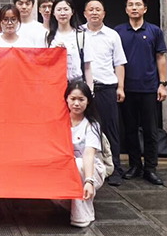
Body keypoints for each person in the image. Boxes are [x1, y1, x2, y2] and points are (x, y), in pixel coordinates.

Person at [115, 0, 167, 186]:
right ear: (126, 9)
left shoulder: (154, 31)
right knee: (129, 129)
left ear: (145, 9)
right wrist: (119, 86)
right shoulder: (118, 32)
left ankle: (150, 168)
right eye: (130, 5)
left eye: (138, 4)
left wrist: (162, 84)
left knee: (150, 130)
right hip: (127, 89)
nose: (134, 8)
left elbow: (160, 57)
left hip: (149, 88)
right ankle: (135, 165)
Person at [82, 0, 127, 187]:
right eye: (91, 9)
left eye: (98, 9)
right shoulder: (78, 33)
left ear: (104, 13)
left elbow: (119, 63)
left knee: (110, 129)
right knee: (84, 129)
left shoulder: (112, 35)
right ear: (85, 13)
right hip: (84, 89)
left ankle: (115, 169)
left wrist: (120, 87)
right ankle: (87, 169)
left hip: (107, 88)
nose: (94, 12)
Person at [64, 81, 106, 228]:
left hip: (90, 170)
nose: (76, 103)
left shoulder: (92, 125)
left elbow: (88, 154)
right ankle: (76, 205)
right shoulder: (60, 122)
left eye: (81, 99)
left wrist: (89, 180)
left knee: (77, 163)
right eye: (73, 99)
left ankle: (81, 216)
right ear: (66, 99)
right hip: (67, 169)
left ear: (88, 101)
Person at [46, 0, 94, 84]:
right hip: (54, 83)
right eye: (59, 10)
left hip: (76, 83)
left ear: (72, 12)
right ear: (53, 13)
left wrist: (90, 89)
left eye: (66, 9)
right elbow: (43, 63)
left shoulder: (81, 35)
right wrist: (54, 52)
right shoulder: (47, 36)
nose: (62, 13)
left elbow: (87, 67)